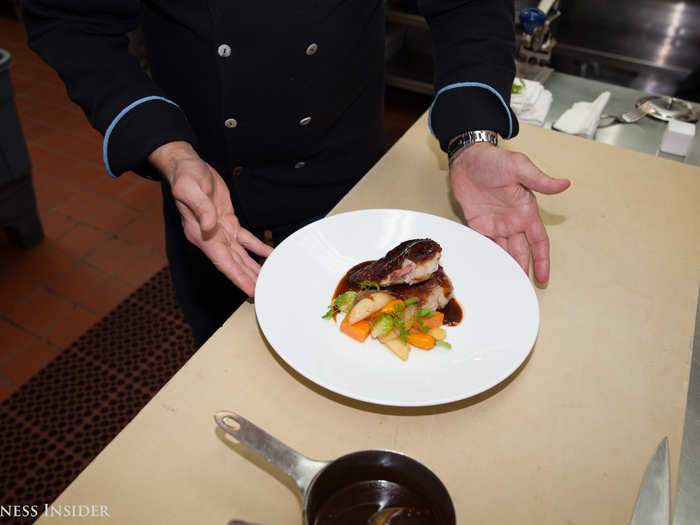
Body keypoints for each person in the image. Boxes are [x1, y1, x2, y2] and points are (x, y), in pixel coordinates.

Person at [22, 1, 570, 344]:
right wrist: (169, 151)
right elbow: (72, 19)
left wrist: (471, 136)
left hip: (347, 172)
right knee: (224, 362)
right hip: (206, 185)